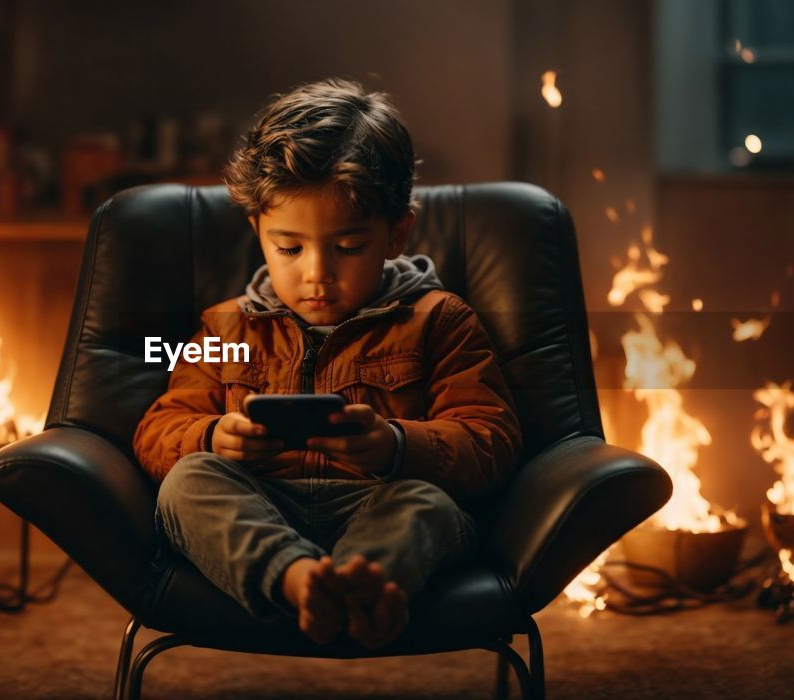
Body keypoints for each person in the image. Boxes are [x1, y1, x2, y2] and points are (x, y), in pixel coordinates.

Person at [133, 78, 522, 649]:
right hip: (262, 505)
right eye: (289, 248)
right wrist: (215, 436)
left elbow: (492, 441)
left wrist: (395, 445)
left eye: (347, 247)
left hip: (379, 500)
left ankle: (359, 585)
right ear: (258, 233)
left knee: (426, 505)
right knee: (189, 482)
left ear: (396, 233)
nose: (316, 273)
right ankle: (303, 581)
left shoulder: (439, 319)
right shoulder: (224, 328)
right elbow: (157, 433)